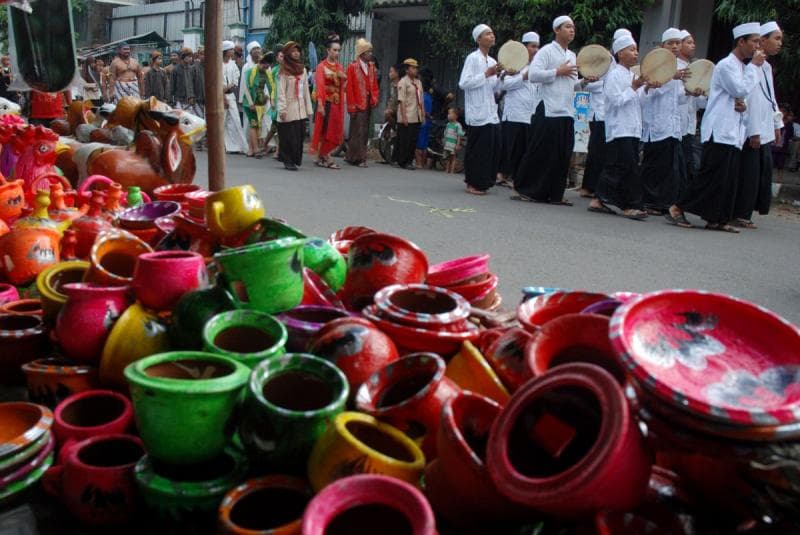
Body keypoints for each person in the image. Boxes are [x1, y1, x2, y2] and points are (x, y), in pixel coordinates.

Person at [667, 22, 765, 233]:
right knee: (710, 176)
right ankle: (677, 207)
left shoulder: (742, 67)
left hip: (733, 131)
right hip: (719, 130)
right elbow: (739, 89)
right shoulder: (726, 65)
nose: (758, 47)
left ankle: (716, 218)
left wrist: (743, 106)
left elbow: (740, 97)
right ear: (741, 42)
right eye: (755, 41)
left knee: (726, 179)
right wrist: (754, 67)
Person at [513, 15, 579, 205]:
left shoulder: (572, 55)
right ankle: (527, 189)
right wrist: (557, 71)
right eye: (568, 27)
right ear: (557, 30)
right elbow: (533, 75)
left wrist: (585, 82)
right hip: (548, 108)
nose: (572, 30)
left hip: (566, 110)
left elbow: (572, 83)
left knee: (562, 154)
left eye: (573, 27)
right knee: (541, 151)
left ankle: (555, 194)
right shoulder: (547, 51)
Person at [588, 34, 648, 220]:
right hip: (619, 128)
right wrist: (633, 88)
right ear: (620, 53)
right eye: (631, 49)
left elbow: (639, 102)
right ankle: (630, 205)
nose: (635, 53)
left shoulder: (632, 75)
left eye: (636, 49)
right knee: (626, 167)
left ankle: (598, 199)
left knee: (618, 167)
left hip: (632, 127)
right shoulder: (613, 75)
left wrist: (646, 88)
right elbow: (616, 101)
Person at [732, 21, 783, 228]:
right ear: (762, 40)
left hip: (764, 128)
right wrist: (754, 131)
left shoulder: (766, 66)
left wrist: (776, 124)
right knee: (748, 174)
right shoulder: (750, 66)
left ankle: (745, 212)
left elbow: (770, 98)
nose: (779, 43)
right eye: (776, 38)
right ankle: (739, 213)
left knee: (759, 172)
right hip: (752, 129)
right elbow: (750, 99)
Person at [639, 28, 691, 216]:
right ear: (663, 45)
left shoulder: (678, 68)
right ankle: (648, 201)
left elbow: (678, 98)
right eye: (671, 43)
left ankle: (663, 202)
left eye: (678, 43)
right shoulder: (655, 64)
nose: (675, 46)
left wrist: (690, 92)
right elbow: (651, 91)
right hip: (657, 124)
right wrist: (670, 77)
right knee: (654, 165)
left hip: (672, 125)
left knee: (669, 167)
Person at [458, 23, 501, 195]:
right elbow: (464, 83)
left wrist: (502, 77)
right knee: (477, 150)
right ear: (478, 39)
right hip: (477, 112)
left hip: (491, 112)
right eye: (488, 34)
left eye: (492, 33)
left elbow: (494, 87)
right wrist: (485, 74)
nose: (492, 36)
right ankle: (472, 183)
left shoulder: (492, 61)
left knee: (490, 149)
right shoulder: (473, 58)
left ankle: (484, 182)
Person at [497, 31, 540, 188]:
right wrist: (523, 77)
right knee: (510, 146)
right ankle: (501, 174)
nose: (535, 50)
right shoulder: (512, 64)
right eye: (532, 46)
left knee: (524, 148)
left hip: (530, 114)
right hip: (514, 112)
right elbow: (504, 85)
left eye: (537, 47)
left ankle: (518, 178)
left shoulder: (538, 67)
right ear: (524, 47)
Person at [311, 34, 346, 169]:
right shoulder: (321, 67)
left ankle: (321, 155)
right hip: (326, 102)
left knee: (334, 130)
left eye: (338, 50)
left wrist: (344, 78)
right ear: (328, 50)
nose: (337, 53)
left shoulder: (339, 67)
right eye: (334, 50)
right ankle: (326, 156)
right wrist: (320, 105)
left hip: (336, 103)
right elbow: (320, 87)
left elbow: (343, 86)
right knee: (325, 130)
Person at [277, 41, 313, 171]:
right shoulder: (284, 71)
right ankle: (287, 160)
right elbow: (281, 92)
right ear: (287, 54)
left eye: (297, 51)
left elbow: (306, 91)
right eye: (293, 51)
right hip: (288, 107)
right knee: (288, 136)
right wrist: (282, 109)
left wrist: (309, 108)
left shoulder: (302, 70)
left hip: (300, 108)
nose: (296, 53)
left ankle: (295, 159)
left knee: (299, 135)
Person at [345, 38, 379, 167]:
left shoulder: (371, 67)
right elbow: (350, 89)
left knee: (364, 131)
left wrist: (374, 98)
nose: (370, 54)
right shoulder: (352, 67)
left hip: (367, 103)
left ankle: (353, 156)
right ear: (362, 53)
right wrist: (352, 106)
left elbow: (374, 85)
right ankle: (359, 158)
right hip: (357, 103)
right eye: (368, 52)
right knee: (357, 131)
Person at [393, 58, 424, 170]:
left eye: (416, 68)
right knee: (405, 140)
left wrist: (423, 114)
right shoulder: (403, 82)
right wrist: (404, 117)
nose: (415, 70)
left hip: (416, 115)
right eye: (413, 68)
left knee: (413, 140)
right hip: (407, 114)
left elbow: (421, 100)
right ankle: (403, 161)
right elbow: (401, 101)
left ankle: (409, 160)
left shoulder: (418, 82)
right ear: (407, 70)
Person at [242, 53, 272, 158]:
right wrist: (251, 103)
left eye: (268, 67)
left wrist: (270, 99)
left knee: (256, 125)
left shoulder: (266, 73)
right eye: (265, 66)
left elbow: (270, 87)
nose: (266, 68)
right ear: (260, 63)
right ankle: (256, 149)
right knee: (254, 124)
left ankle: (251, 149)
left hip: (260, 102)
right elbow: (246, 89)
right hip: (249, 103)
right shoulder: (250, 71)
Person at [222, 40, 248, 154]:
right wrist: (223, 95)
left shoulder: (233, 64)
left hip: (231, 95)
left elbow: (235, 82)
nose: (233, 51)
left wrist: (228, 87)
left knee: (235, 121)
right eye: (231, 49)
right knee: (222, 122)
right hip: (220, 96)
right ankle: (220, 145)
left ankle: (236, 146)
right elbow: (217, 83)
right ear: (225, 51)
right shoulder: (218, 64)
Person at [239, 41, 262, 152]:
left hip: (262, 99)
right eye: (254, 49)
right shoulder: (246, 66)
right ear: (250, 52)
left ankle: (257, 146)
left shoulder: (264, 64)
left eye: (258, 48)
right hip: (249, 100)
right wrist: (247, 101)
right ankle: (249, 147)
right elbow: (244, 85)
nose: (257, 51)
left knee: (260, 123)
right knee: (249, 123)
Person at [416, 76, 433, 169]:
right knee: (424, 145)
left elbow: (424, 112)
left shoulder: (422, 97)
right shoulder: (429, 97)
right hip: (428, 123)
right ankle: (422, 163)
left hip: (422, 122)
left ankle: (419, 163)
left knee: (418, 145)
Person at [772, 106, 793, 182]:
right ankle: (768, 177)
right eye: (780, 111)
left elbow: (790, 134)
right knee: (770, 162)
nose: (782, 113)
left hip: (783, 146)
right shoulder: (774, 121)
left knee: (781, 164)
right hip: (773, 145)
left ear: (787, 113)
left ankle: (779, 178)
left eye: (784, 111)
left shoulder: (789, 124)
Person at [443, 106, 465, 174]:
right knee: (447, 157)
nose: (448, 115)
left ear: (456, 116)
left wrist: (457, 144)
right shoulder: (448, 124)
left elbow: (459, 136)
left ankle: (452, 170)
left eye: (450, 113)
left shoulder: (458, 125)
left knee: (453, 157)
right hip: (447, 144)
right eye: (448, 113)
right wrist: (444, 141)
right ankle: (447, 169)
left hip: (453, 144)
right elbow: (445, 133)